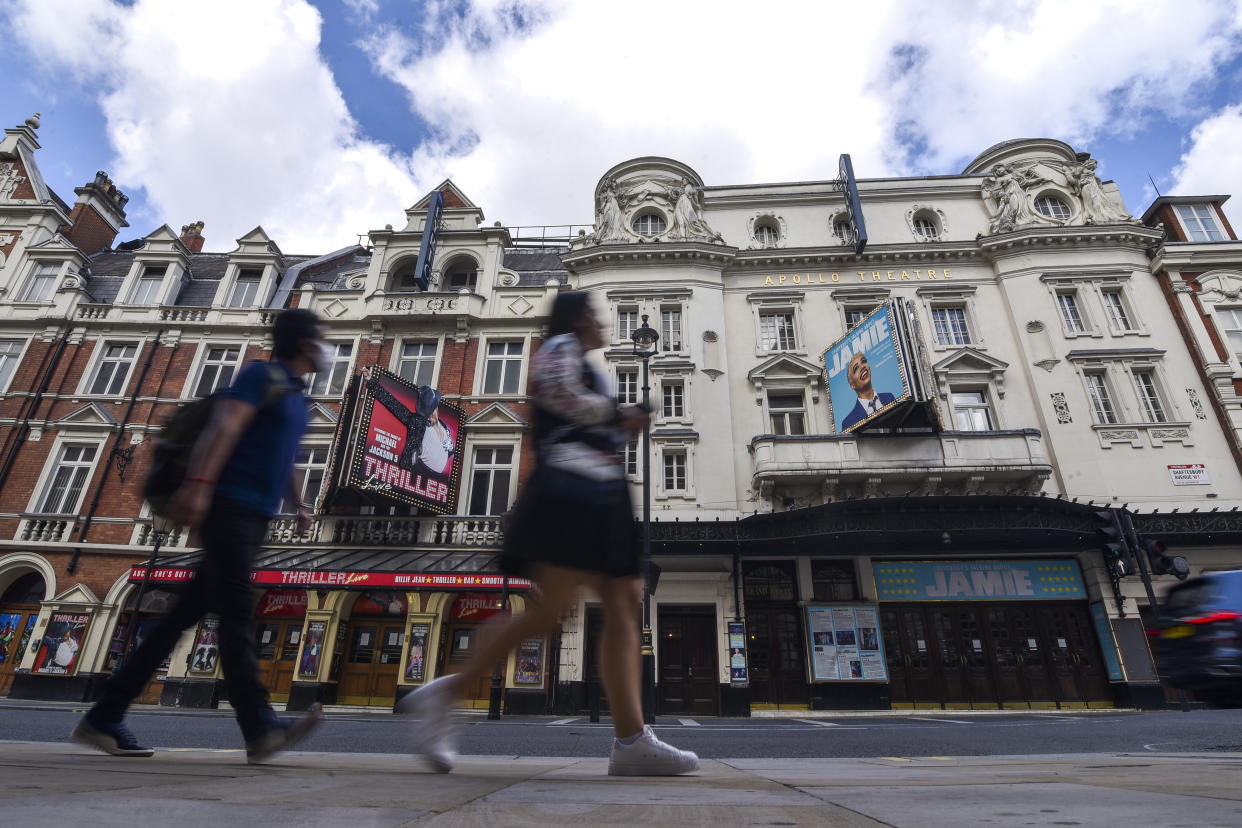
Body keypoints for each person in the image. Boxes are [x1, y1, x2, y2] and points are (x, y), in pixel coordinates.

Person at [398, 291, 700, 777]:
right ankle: (447, 692)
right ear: (579, 318)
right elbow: (561, 398)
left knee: (622, 602)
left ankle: (631, 739)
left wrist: (623, 426)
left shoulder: (582, 361)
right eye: (597, 316)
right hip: (573, 490)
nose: (602, 323)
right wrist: (619, 416)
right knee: (552, 611)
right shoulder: (558, 348)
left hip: (599, 490)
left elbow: (582, 417)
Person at [72, 308, 328, 761]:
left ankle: (104, 716)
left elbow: (284, 456)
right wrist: (199, 485)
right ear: (307, 345)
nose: (326, 348)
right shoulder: (261, 377)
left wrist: (299, 504)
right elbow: (224, 426)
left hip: (252, 517)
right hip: (229, 507)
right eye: (321, 340)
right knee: (236, 614)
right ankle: (261, 727)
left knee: (177, 619)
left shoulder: (292, 396)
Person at [840, 351, 896, 430]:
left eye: (864, 361)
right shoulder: (848, 422)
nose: (862, 366)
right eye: (856, 368)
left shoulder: (889, 397)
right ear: (852, 385)